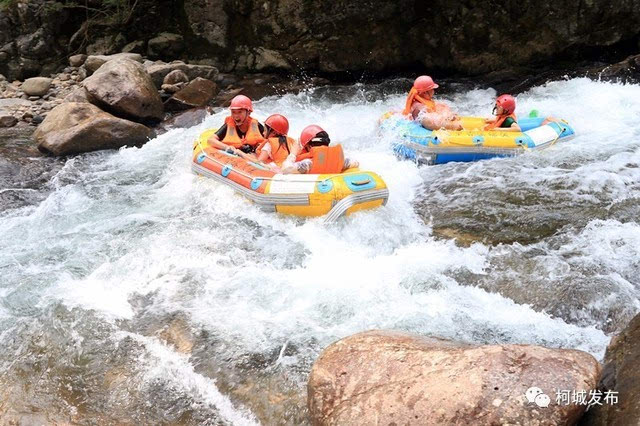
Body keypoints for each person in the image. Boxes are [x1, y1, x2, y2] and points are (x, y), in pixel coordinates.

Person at [281, 125, 359, 174]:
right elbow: (355, 163)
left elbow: (286, 169)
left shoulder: (308, 163)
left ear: (309, 147)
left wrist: (292, 154)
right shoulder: (343, 161)